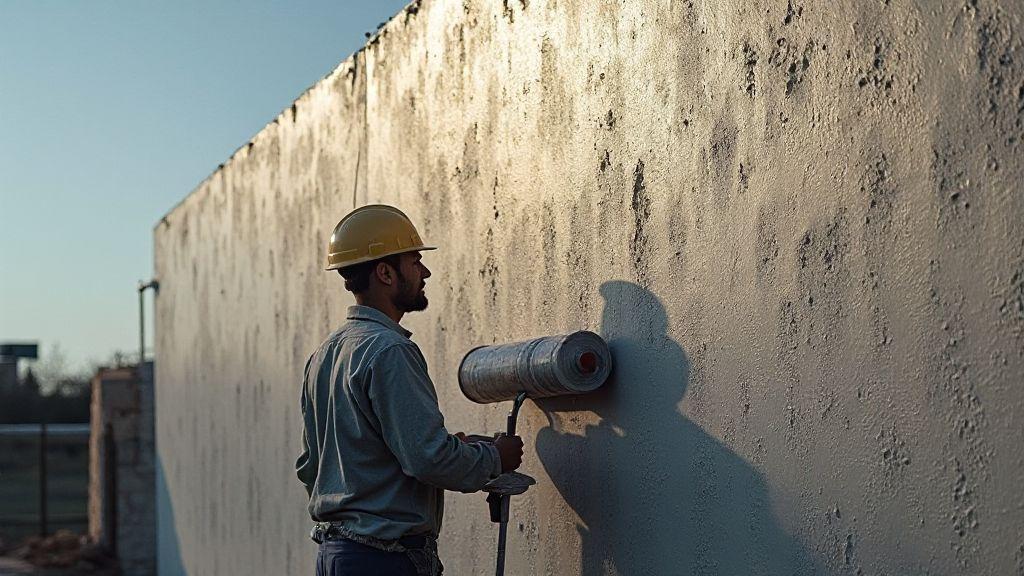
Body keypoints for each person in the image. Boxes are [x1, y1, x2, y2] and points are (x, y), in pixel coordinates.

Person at [296, 204, 524, 576]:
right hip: (383, 559)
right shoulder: (390, 351)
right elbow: (426, 458)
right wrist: (495, 457)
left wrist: (453, 448)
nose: (425, 272)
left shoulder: (324, 355)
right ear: (385, 272)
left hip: (338, 555)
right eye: (415, 261)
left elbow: (311, 467)